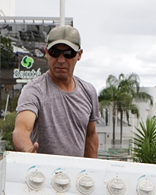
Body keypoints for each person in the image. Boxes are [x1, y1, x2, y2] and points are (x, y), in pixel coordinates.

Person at [12, 25, 100, 158]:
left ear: (79, 55)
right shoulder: (34, 90)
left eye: (68, 54)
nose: (61, 60)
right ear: (46, 52)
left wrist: (92, 172)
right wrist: (27, 150)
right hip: (43, 175)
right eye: (55, 53)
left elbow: (91, 135)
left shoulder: (88, 91)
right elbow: (22, 129)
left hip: (77, 176)